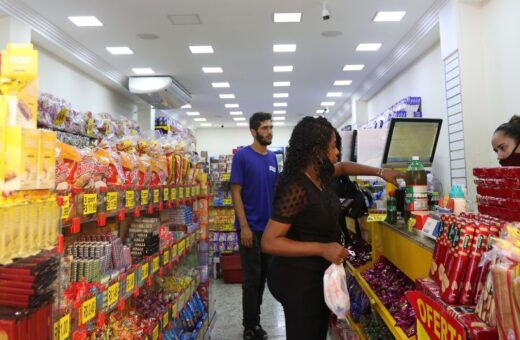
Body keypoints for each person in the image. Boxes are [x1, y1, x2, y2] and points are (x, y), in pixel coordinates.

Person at [261, 116, 402, 340]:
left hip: (317, 275)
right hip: (296, 279)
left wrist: (382, 173)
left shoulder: (320, 174)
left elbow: (344, 167)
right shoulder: (295, 187)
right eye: (333, 146)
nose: (337, 152)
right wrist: (322, 248)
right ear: (317, 151)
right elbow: (269, 241)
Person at [230, 112, 278, 340]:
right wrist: (244, 226)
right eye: (265, 128)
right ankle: (250, 326)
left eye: (271, 127)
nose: (269, 131)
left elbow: (274, 194)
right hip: (250, 229)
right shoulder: (242, 157)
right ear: (253, 131)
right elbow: (236, 193)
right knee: (251, 281)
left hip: (269, 231)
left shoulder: (272, 159)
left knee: (262, 279)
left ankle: (255, 319)